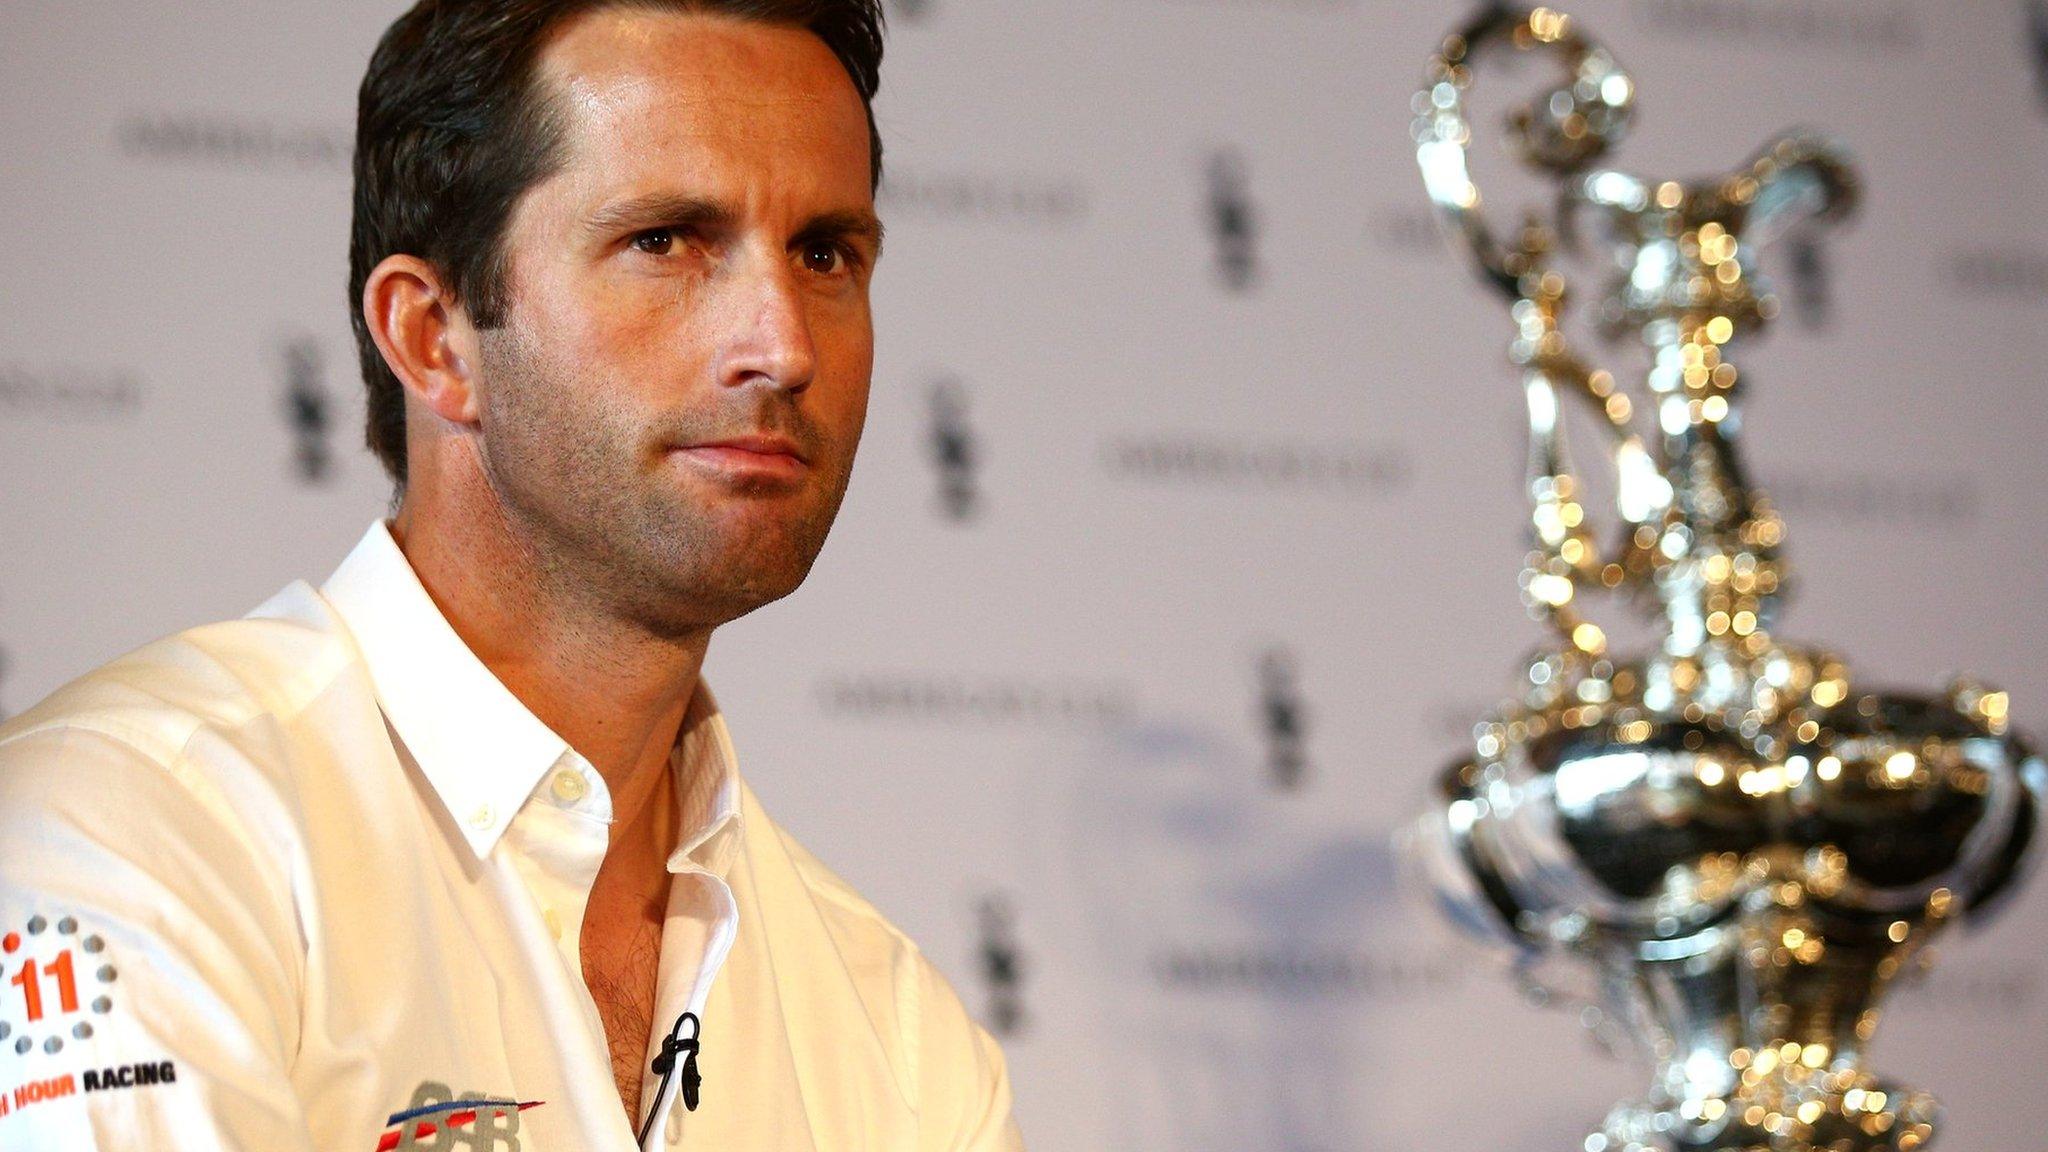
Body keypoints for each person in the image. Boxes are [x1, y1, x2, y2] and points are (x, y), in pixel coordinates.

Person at [0, 1, 1023, 1148]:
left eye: (824, 252)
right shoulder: (129, 837)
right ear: (435, 338)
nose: (782, 344)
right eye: (667, 241)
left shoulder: (901, 1037)